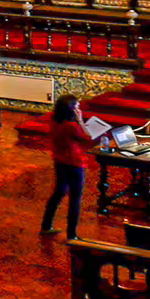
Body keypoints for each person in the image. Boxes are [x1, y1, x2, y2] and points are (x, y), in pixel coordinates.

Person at [40, 94, 93, 238]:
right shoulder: (71, 126)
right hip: (74, 163)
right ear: (71, 110)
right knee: (75, 198)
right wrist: (81, 120)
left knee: (58, 193)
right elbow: (88, 137)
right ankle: (72, 235)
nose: (79, 109)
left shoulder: (55, 121)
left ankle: (46, 225)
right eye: (77, 107)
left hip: (59, 161)